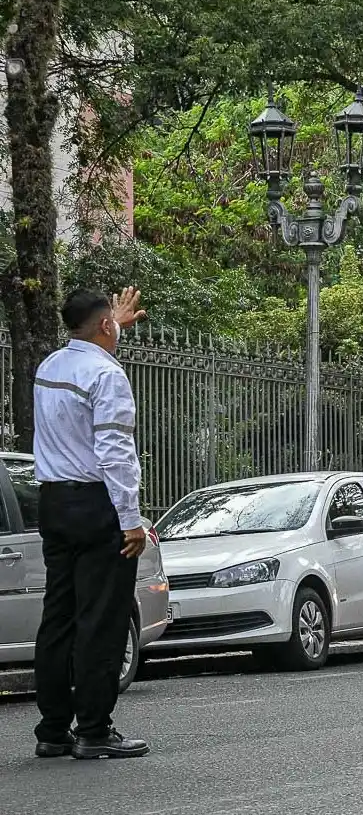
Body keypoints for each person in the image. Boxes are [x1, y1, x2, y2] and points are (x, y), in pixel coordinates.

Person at [32, 287, 151, 759]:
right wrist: (131, 521)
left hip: (54, 504)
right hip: (98, 506)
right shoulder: (107, 374)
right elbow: (114, 452)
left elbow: (94, 338)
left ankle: (52, 730)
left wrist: (113, 322)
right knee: (101, 618)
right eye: (112, 324)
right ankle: (95, 730)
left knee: (58, 617)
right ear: (104, 325)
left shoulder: (49, 367)